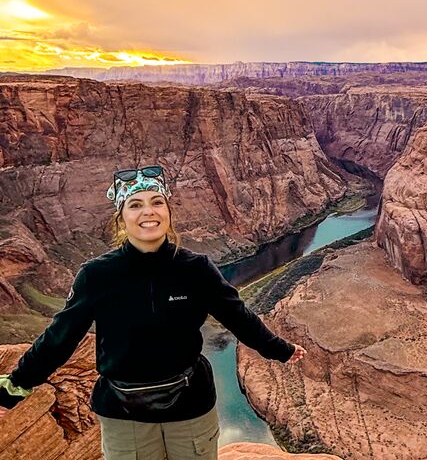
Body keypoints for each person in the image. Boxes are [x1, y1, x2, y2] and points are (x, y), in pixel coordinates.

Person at [0, 164, 307, 459]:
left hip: (190, 405)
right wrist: (17, 384)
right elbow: (60, 338)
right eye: (135, 205)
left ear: (168, 212)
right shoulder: (96, 276)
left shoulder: (196, 269)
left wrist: (279, 349)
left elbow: (237, 316)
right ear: (121, 218)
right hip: (124, 412)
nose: (148, 211)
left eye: (156, 202)